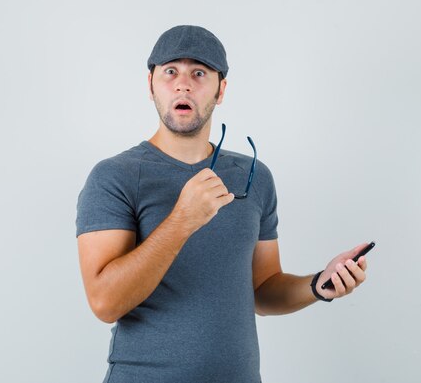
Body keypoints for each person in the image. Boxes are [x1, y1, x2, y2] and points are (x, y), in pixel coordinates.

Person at [76, 25, 370, 383]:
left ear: (221, 90)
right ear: (150, 84)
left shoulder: (254, 176)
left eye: (199, 73)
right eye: (171, 72)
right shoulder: (114, 177)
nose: (183, 84)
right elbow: (106, 303)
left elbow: (262, 289)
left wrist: (317, 284)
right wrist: (182, 220)